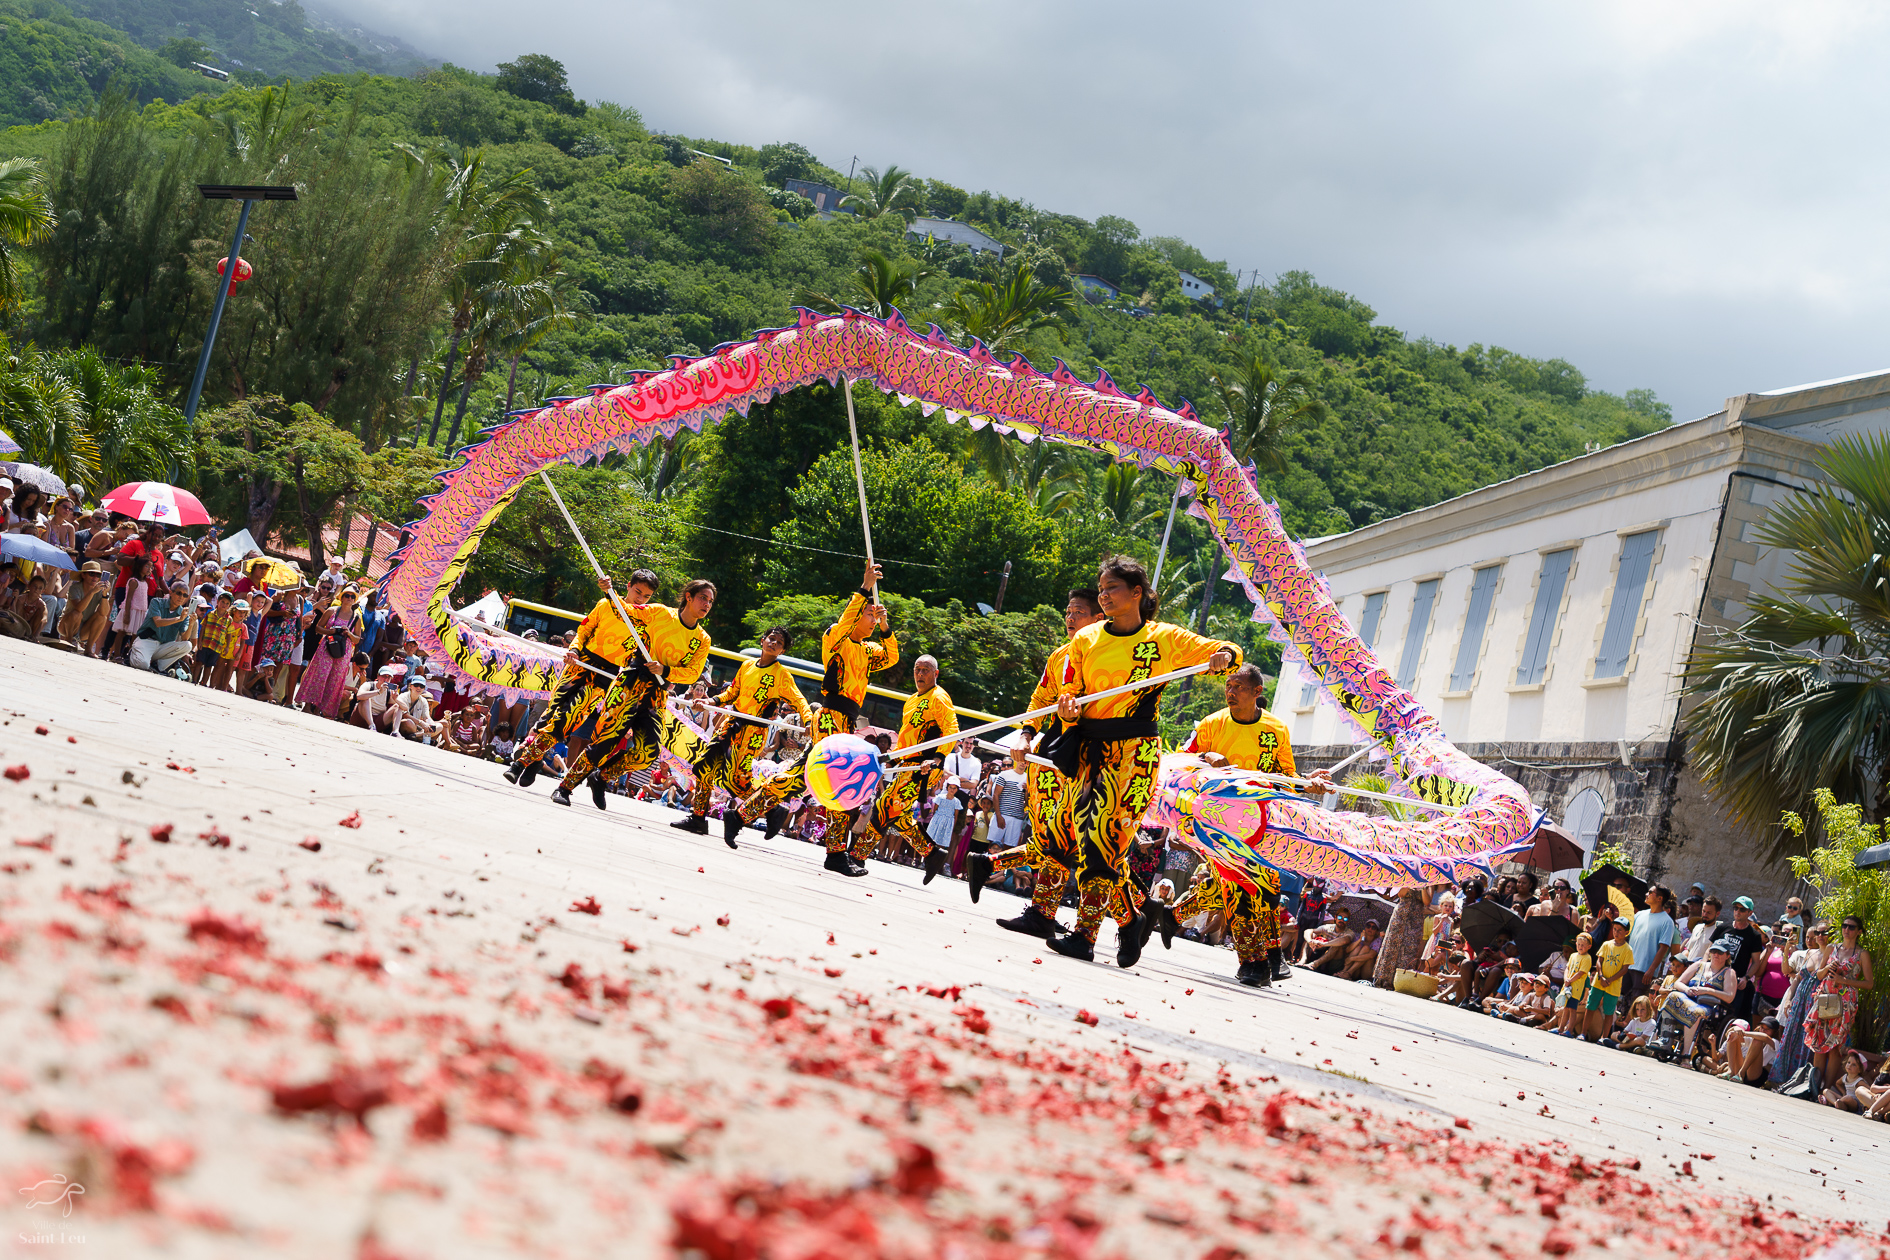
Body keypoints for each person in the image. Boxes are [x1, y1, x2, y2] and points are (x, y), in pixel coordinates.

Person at [1045, 555, 1241, 967]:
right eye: (1101, 588)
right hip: (1087, 753)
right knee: (1093, 848)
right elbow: (1071, 692)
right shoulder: (1085, 641)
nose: (1104, 595)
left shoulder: (1163, 639)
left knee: (1104, 842)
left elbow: (1225, 651)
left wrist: (1224, 653)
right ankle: (1131, 919)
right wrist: (1066, 708)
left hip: (1134, 753)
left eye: (1112, 587)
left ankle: (1084, 936)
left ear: (1137, 593)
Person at [1155, 662, 1331, 985]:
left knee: (1265, 890)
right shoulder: (1211, 725)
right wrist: (1207, 758)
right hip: (1215, 824)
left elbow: (1286, 779)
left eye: (1238, 687)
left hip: (1259, 825)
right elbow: (1181, 760)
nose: (1231, 692)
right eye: (1228, 687)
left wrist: (1308, 783)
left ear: (1257, 692)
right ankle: (1255, 963)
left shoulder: (1276, 730)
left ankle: (1173, 916)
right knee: (1240, 888)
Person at [731, 563, 898, 868]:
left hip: (848, 720)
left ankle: (739, 815)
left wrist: (886, 627)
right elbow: (845, 619)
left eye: (876, 616)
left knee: (798, 778)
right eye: (870, 615)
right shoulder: (837, 639)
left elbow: (892, 656)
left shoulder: (869, 650)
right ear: (856, 615)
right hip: (831, 715)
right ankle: (835, 853)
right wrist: (864, 587)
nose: (873, 621)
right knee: (839, 778)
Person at [972, 588, 1105, 939]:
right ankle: (1041, 911)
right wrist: (1026, 734)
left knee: (1081, 844)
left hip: (1093, 756)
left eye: (1079, 611)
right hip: (1052, 754)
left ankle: (1132, 917)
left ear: (1099, 618)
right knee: (1050, 835)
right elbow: (1040, 698)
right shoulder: (1060, 655)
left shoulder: (1109, 657)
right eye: (1068, 611)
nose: (1070, 617)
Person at [550, 578, 716, 811]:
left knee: (648, 752)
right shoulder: (659, 612)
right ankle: (565, 788)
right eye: (702, 598)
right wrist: (610, 592)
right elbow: (625, 612)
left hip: (657, 693)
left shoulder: (703, 639)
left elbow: (692, 673)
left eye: (710, 601)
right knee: (604, 741)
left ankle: (601, 777)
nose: (707, 604)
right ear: (688, 596)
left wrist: (665, 670)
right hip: (630, 682)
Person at [507, 570, 655, 789]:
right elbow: (584, 630)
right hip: (580, 662)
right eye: (638, 592)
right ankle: (535, 761)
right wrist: (574, 650)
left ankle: (523, 762)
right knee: (550, 715)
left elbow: (632, 620)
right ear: (629, 586)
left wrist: (609, 593)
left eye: (647, 596)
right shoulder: (605, 604)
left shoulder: (645, 618)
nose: (641, 598)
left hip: (606, 675)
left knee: (567, 719)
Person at [671, 624, 812, 847]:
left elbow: (799, 700)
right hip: (730, 724)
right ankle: (698, 818)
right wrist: (709, 702)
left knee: (737, 780)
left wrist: (809, 720)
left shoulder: (782, 675)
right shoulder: (747, 665)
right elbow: (732, 693)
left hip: (753, 732)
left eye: (779, 643)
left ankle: (772, 808)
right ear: (763, 640)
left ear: (782, 651)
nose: (773, 643)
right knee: (705, 767)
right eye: (771, 639)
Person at [852, 653, 959, 877]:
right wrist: (892, 757)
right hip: (907, 763)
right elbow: (907, 736)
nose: (920, 674)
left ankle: (856, 856)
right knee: (897, 815)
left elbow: (952, 730)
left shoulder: (939, 697)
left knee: (884, 808)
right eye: (917, 670)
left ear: (935, 674)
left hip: (925, 767)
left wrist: (937, 758)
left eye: (925, 670)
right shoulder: (912, 699)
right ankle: (931, 854)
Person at [1804, 915, 1875, 1097]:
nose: (1846, 930)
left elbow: (1869, 983)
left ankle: (1825, 1090)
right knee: (1819, 1042)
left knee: (1835, 1046)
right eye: (1844, 926)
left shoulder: (1862, 954)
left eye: (1851, 927)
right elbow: (1819, 975)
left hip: (1845, 1002)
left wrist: (1844, 980)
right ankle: (1814, 1087)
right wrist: (1828, 968)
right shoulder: (1831, 948)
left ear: (1859, 931)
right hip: (1825, 997)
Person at [1769, 923, 1825, 1087]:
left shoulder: (1831, 955)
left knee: (1806, 1042)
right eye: (1808, 936)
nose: (1812, 939)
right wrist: (1788, 1000)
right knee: (1789, 1039)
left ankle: (1800, 1082)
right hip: (1799, 1001)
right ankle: (1781, 1078)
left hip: (1814, 1004)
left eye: (1815, 936)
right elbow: (1797, 978)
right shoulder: (1810, 954)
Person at [1663, 941, 1738, 1059]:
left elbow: (1729, 996)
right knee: (1672, 996)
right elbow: (1678, 983)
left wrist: (1707, 991)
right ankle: (1665, 1040)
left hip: (1708, 1006)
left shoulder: (1728, 972)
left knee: (1695, 1012)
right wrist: (1687, 990)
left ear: (1727, 955)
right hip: (1689, 999)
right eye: (1713, 951)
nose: (1715, 955)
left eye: (1719, 952)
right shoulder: (1699, 965)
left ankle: (1686, 1054)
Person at [297, 586, 363, 719]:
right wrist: (331, 631)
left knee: (334, 680)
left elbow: (357, 638)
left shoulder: (356, 618)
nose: (349, 598)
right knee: (319, 675)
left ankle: (320, 709)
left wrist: (348, 633)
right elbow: (318, 628)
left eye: (352, 596)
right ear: (342, 597)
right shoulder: (331, 611)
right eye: (347, 595)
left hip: (343, 651)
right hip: (327, 646)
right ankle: (308, 705)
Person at [1711, 896, 1767, 1021]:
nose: (1737, 912)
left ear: (1750, 913)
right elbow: (1709, 951)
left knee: (1729, 1018)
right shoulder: (1722, 928)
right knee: (1708, 1014)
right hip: (1715, 978)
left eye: (1742, 909)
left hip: (1735, 983)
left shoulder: (1754, 936)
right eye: (1736, 908)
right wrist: (1704, 968)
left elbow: (1756, 962)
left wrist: (1746, 978)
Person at [1624, 884, 1678, 1006]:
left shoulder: (1667, 921)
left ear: (1659, 898)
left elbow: (1663, 948)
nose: (1646, 894)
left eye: (1650, 892)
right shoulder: (1639, 915)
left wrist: (1651, 969)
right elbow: (1628, 938)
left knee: (1636, 1003)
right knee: (1620, 999)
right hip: (1627, 965)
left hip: (1644, 969)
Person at [1582, 917, 1633, 1042]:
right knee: (1590, 1007)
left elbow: (1624, 969)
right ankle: (1583, 1033)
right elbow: (1599, 961)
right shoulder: (1606, 944)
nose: (1616, 932)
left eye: (1620, 930)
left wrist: (1609, 980)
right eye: (1615, 929)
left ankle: (1604, 1037)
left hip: (1613, 985)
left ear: (1626, 932)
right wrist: (1601, 976)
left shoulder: (1627, 949)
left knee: (1609, 1011)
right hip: (1599, 982)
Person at [58, 561, 111, 656]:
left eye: (98, 575)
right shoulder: (75, 588)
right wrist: (92, 592)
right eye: (91, 574)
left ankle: (88, 649)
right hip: (66, 625)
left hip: (84, 629)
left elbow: (104, 613)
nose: (95, 577)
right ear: (83, 575)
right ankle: (69, 642)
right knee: (77, 614)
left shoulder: (99, 591)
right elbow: (79, 609)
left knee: (102, 618)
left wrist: (104, 595)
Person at [1552, 932, 1593, 1036]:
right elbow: (1568, 968)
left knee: (1572, 1009)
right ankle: (1561, 1028)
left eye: (1583, 945)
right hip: (1567, 986)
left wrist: (1570, 980)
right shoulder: (1573, 955)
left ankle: (1569, 1030)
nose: (1580, 947)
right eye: (1578, 944)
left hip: (1576, 988)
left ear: (1589, 946)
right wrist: (1566, 979)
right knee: (1565, 1008)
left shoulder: (1587, 958)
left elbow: (1581, 973)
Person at [349, 665, 403, 733]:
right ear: (378, 676)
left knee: (397, 706)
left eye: (388, 677)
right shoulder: (368, 685)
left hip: (378, 721)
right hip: (361, 718)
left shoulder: (389, 692)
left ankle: (395, 732)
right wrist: (378, 692)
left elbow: (404, 708)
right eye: (383, 676)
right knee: (366, 698)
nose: (385, 680)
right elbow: (359, 696)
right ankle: (371, 725)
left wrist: (396, 699)